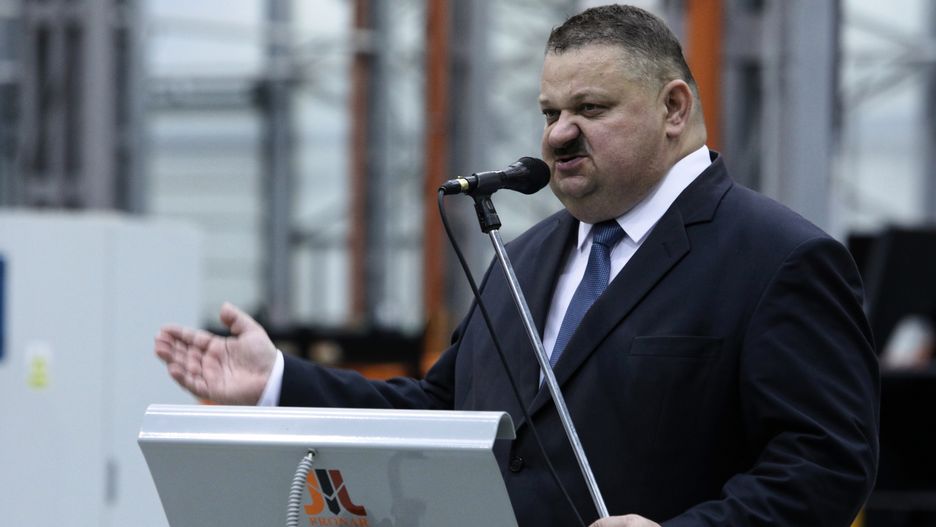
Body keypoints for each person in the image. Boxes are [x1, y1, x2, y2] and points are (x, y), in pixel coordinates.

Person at [155, 5, 879, 526]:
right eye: (549, 112)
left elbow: (826, 462)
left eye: (590, 108)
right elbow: (444, 417)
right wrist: (279, 382)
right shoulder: (523, 256)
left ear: (674, 108)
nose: (558, 135)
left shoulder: (780, 259)